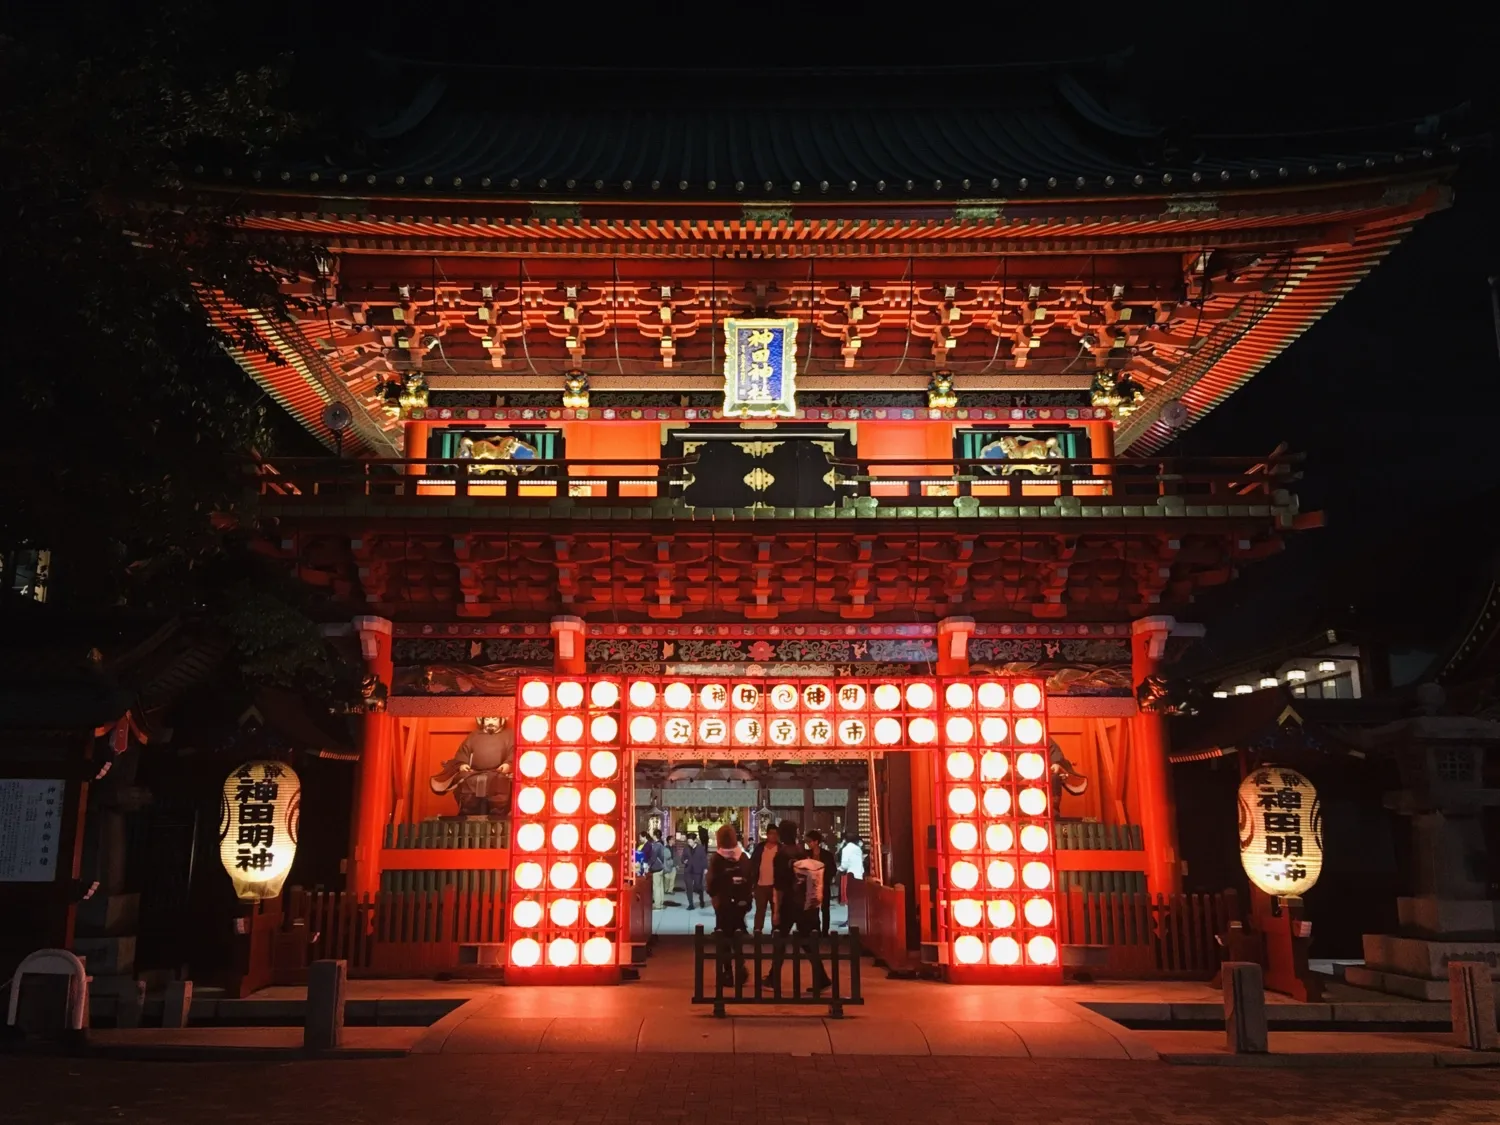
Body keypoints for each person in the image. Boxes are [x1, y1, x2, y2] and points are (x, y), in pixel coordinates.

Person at [765, 827, 830, 994]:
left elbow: (779, 886)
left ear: (781, 836)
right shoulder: (802, 852)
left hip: (788, 903)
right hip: (804, 903)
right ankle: (822, 978)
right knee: (807, 941)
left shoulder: (781, 856)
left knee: (780, 939)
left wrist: (776, 910)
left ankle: (773, 979)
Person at [706, 824, 753, 987]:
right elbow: (750, 877)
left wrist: (714, 894)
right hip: (740, 904)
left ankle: (727, 972)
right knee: (737, 937)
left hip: (723, 903)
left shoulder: (717, 858)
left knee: (724, 938)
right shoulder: (743, 857)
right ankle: (740, 968)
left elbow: (711, 882)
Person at [803, 830, 837, 934]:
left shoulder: (827, 855)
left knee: (825, 908)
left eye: (809, 841)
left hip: (823, 884)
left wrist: (825, 877)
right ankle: (815, 929)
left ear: (816, 841)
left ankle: (825, 931)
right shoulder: (806, 854)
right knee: (813, 909)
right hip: (811, 886)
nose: (808, 844)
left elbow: (832, 869)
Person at [749, 825, 780, 935]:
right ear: (767, 835)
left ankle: (776, 931)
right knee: (760, 909)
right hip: (760, 884)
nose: (773, 836)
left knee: (776, 910)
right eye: (771, 833)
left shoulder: (780, 848)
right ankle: (757, 930)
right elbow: (753, 864)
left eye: (775, 834)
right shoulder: (760, 848)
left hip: (775, 885)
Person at [683, 832, 709, 909]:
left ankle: (701, 900)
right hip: (688, 870)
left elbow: (704, 859)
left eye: (691, 842)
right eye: (688, 842)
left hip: (698, 870)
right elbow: (683, 857)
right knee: (689, 887)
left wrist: (705, 868)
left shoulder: (701, 848)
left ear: (695, 840)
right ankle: (691, 904)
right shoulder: (686, 848)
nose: (689, 843)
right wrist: (684, 861)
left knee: (698, 886)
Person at [838, 832, 865, 904]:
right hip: (859, 873)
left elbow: (845, 864)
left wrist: (840, 869)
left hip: (850, 875)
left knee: (850, 896)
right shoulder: (858, 849)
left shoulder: (846, 849)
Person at [648, 829, 667, 909]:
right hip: (661, 867)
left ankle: (657, 904)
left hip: (656, 868)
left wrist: (648, 865)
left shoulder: (656, 845)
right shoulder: (661, 844)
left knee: (656, 887)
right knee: (660, 886)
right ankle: (661, 902)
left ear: (655, 836)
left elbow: (653, 857)